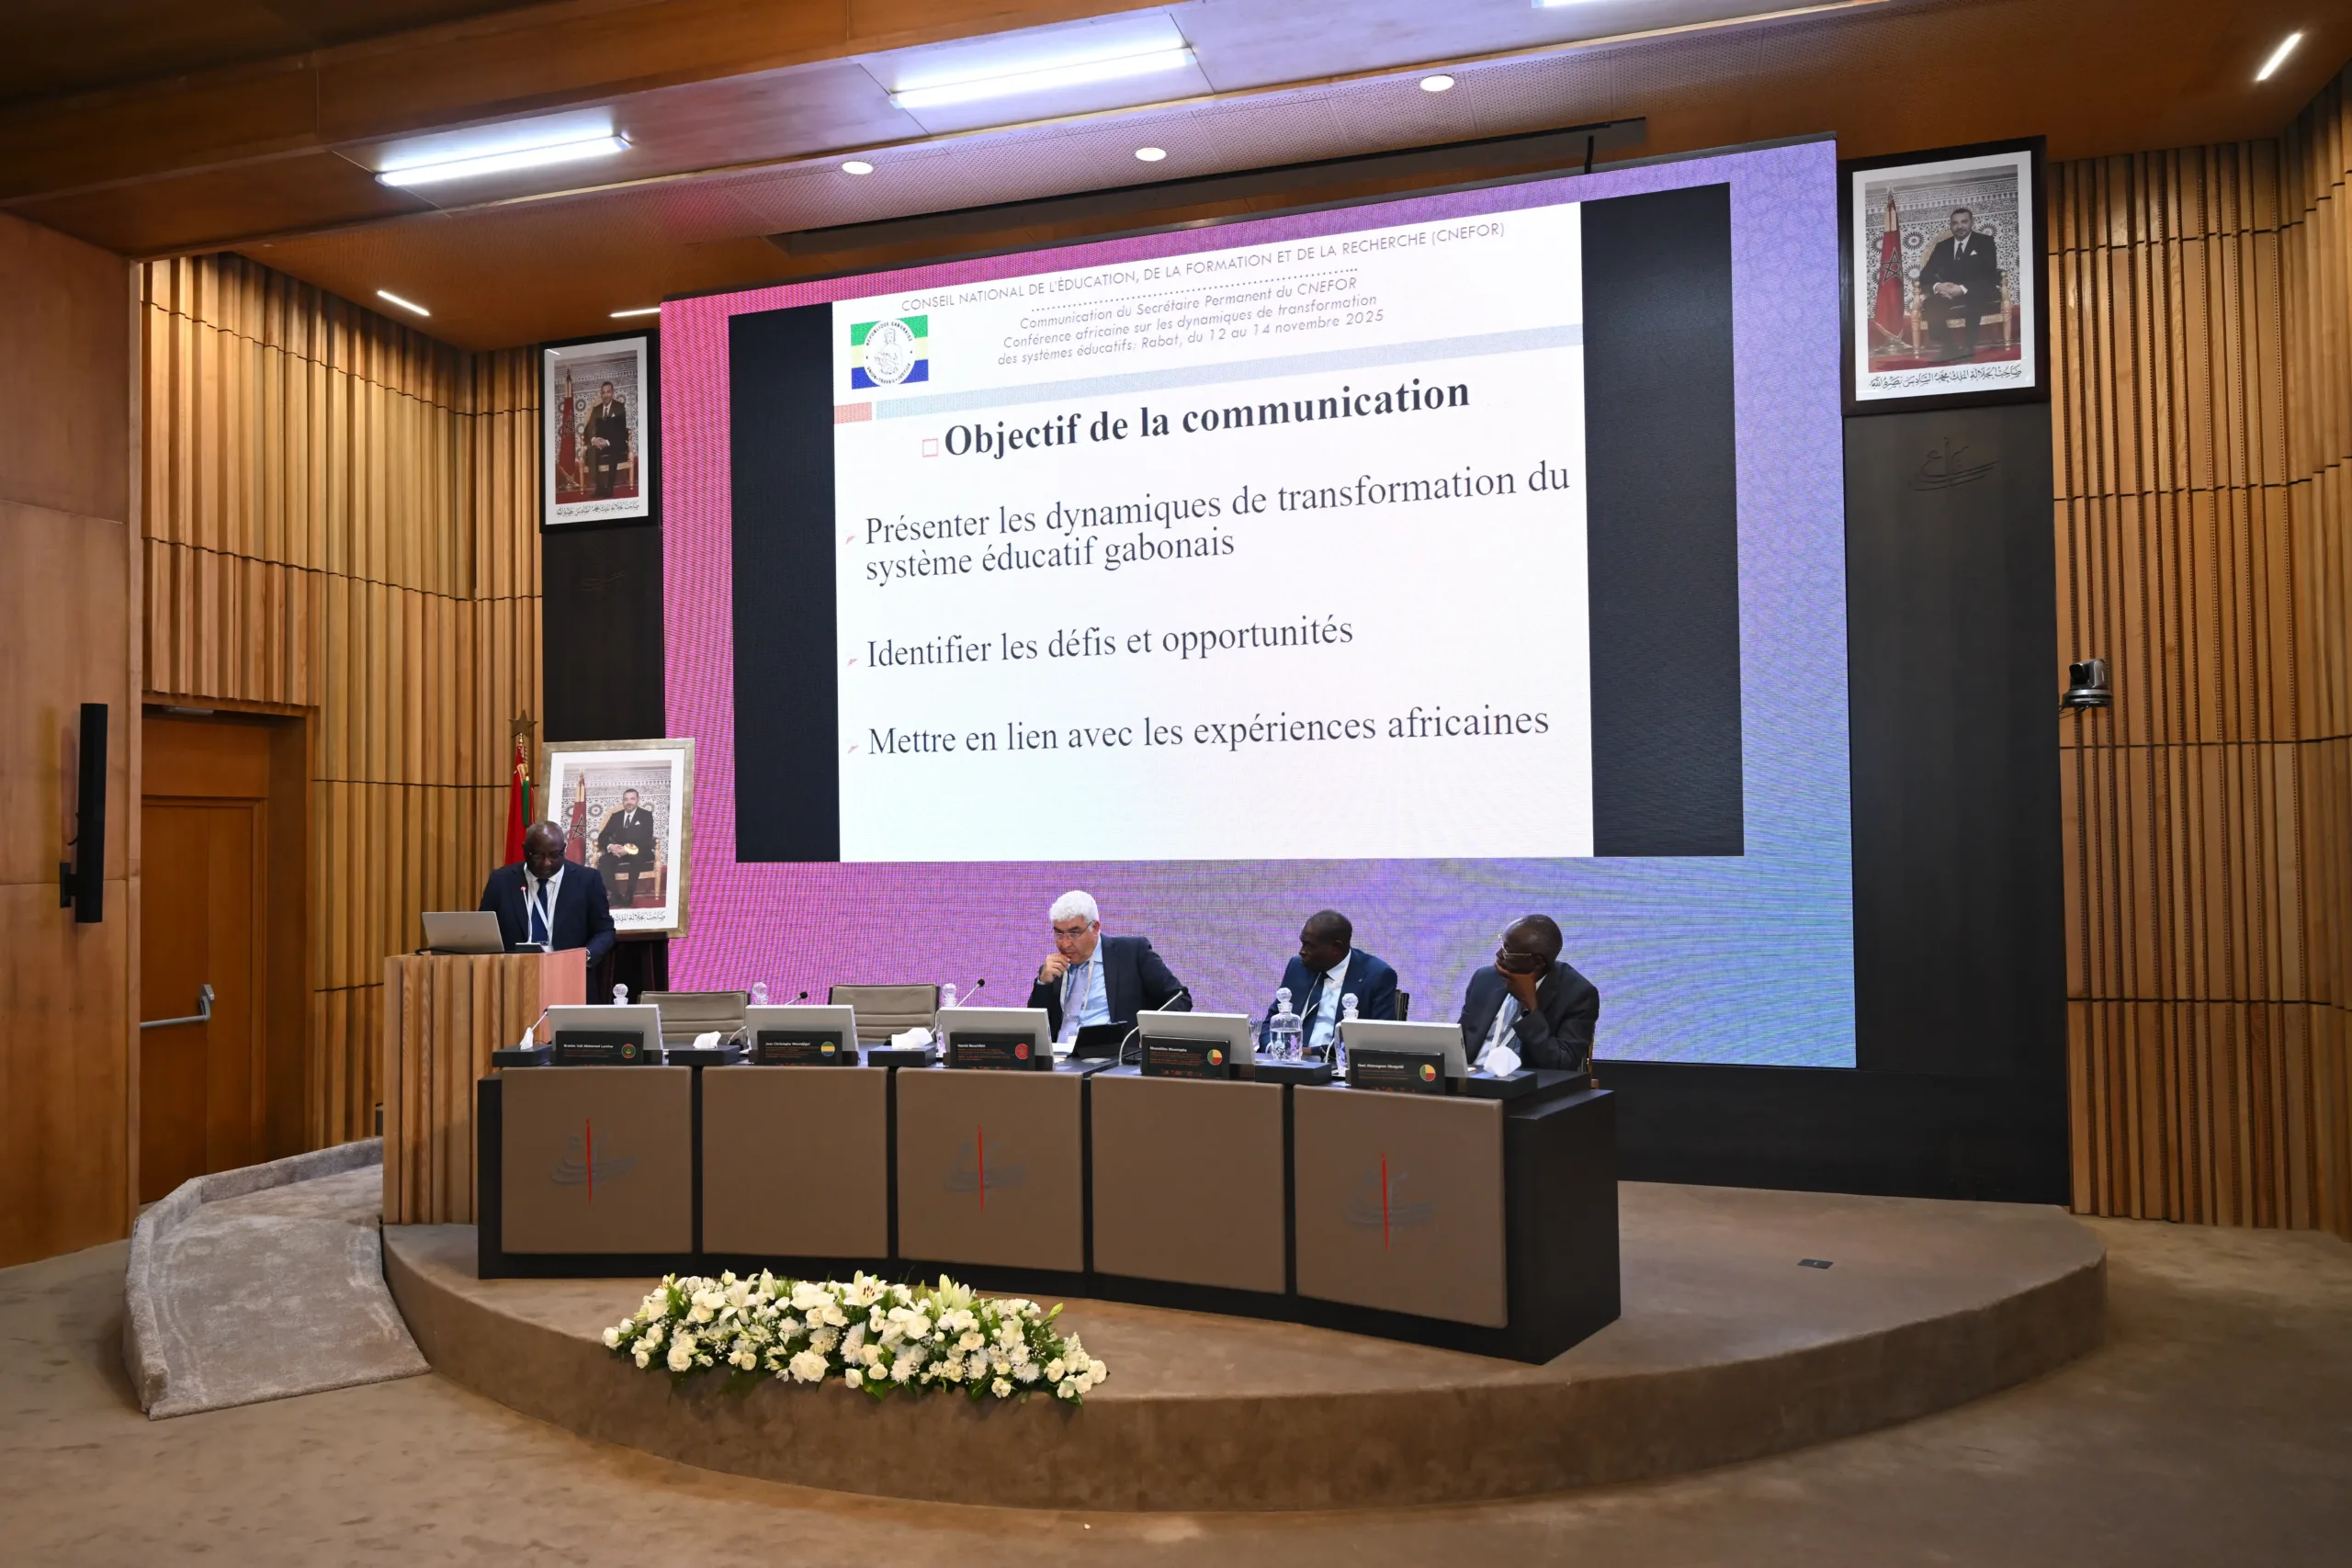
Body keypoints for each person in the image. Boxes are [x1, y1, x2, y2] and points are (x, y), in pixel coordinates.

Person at [1027, 890, 1189, 1048]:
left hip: (1114, 1057)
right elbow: (1033, 1030)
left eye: (1074, 934)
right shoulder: (1053, 969)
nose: (1065, 943)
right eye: (1059, 934)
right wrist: (1043, 983)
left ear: (1095, 928)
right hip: (1059, 1059)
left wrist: (1150, 1035)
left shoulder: (1132, 954)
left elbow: (1179, 998)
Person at [1457, 914, 1599, 1074]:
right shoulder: (1485, 978)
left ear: (1537, 962)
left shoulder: (1578, 994)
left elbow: (1562, 1064)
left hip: (1527, 1083)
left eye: (1507, 950)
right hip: (1471, 1077)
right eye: (1502, 945)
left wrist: (1530, 1008)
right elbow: (1461, 1040)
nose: (1498, 954)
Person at [1260, 908, 1398, 1054]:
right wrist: (1272, 1048)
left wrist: (1310, 1053)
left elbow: (1379, 1040)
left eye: (1309, 945)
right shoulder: (1297, 967)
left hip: (1336, 1064)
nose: (1302, 951)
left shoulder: (1377, 975)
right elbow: (1271, 1021)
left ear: (1336, 947)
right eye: (1302, 943)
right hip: (1284, 1061)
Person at [479, 820, 616, 964]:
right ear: (524, 849)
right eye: (537, 855)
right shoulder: (501, 881)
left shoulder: (587, 880)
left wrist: (585, 956)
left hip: (568, 970)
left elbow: (604, 930)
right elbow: (483, 932)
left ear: (563, 849)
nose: (546, 863)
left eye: (554, 855)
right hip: (514, 971)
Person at [1914, 207, 2003, 361]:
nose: (1960, 226)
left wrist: (1962, 289)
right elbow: (1925, 274)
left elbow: (1988, 273)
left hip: (1977, 289)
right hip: (1948, 291)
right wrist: (1939, 286)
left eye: (1964, 222)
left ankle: (1968, 347)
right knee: (1931, 304)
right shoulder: (1943, 246)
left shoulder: (1985, 242)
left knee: (1974, 297)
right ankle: (1949, 347)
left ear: (1972, 223)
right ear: (1950, 226)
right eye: (1955, 223)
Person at [595, 788, 657, 908]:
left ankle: (629, 894)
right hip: (619, 851)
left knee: (637, 858)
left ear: (637, 800)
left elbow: (646, 838)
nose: (629, 802)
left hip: (639, 851)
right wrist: (611, 846)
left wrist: (627, 849)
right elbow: (603, 836)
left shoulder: (646, 815)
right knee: (604, 860)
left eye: (632, 799)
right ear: (623, 801)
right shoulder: (616, 816)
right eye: (626, 799)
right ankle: (615, 895)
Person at [583, 379, 630, 498]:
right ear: (601, 394)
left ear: (613, 392)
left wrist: (608, 442)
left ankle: (609, 488)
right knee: (590, 452)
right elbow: (587, 430)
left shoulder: (619, 407)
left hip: (615, 442)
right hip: (600, 443)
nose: (606, 395)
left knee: (614, 450)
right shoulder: (597, 409)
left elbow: (621, 431)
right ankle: (599, 488)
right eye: (603, 393)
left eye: (608, 392)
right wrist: (594, 440)